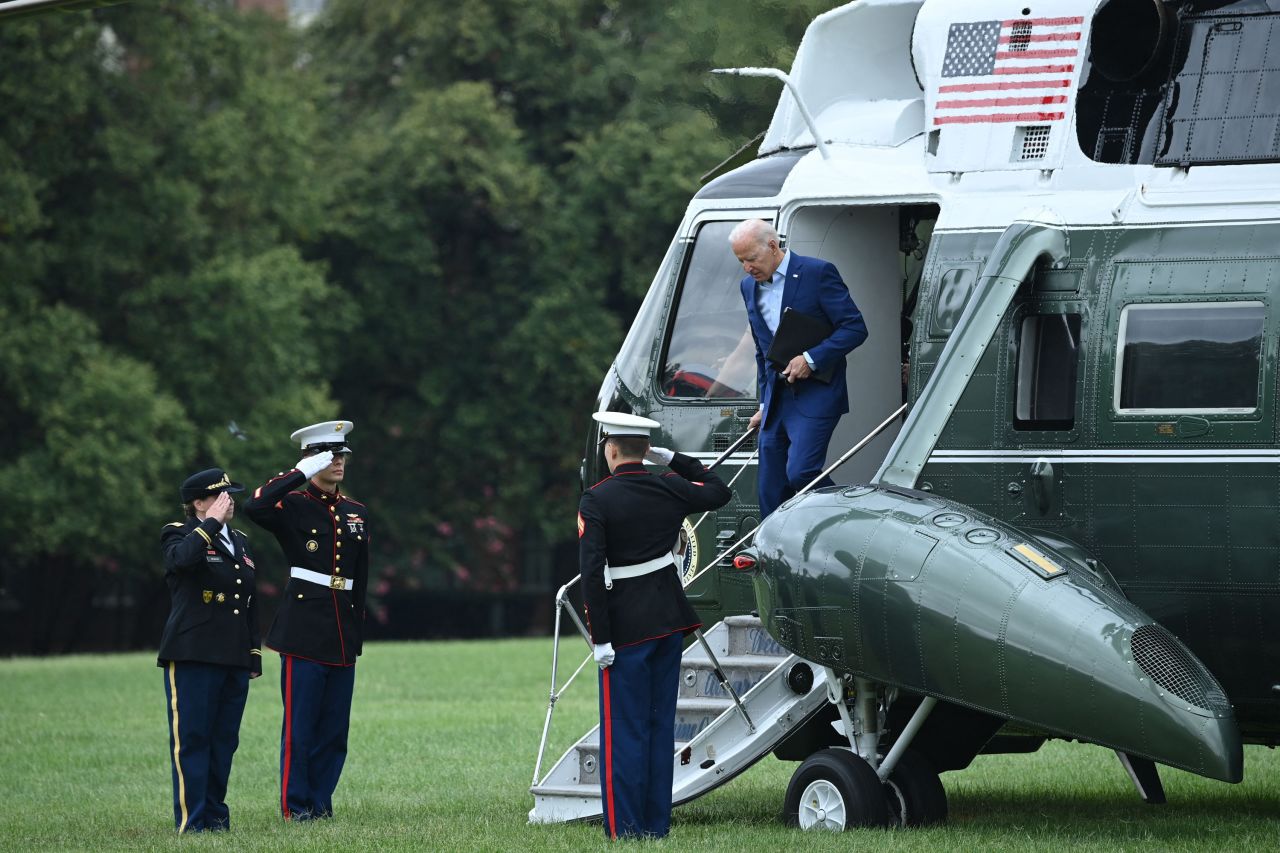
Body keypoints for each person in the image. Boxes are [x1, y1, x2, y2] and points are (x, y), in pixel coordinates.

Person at [578, 412, 732, 839]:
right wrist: (677, 460)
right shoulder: (667, 484)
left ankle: (625, 831)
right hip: (668, 623)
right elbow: (720, 491)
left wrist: (601, 639)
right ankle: (655, 827)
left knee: (624, 732)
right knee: (658, 727)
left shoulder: (597, 500)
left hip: (625, 632)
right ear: (646, 450)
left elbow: (592, 573)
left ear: (610, 449)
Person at [242, 420, 369, 822]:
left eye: (342, 455)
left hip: (342, 631)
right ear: (313, 458)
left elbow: (360, 577)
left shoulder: (356, 512)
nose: (338, 462)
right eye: (329, 456)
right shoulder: (292, 504)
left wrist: (357, 631)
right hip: (303, 629)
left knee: (334, 731)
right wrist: (300, 473)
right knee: (301, 729)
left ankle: (321, 802)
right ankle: (295, 807)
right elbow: (255, 505)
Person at [729, 218, 868, 517]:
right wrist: (764, 403)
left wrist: (811, 358)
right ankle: (771, 559)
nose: (746, 268)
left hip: (817, 395)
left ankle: (852, 517)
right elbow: (762, 350)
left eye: (751, 259)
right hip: (776, 401)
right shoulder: (747, 287)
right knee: (769, 489)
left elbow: (855, 328)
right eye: (740, 261)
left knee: (803, 473)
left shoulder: (817, 273)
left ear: (772, 245)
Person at [158, 467, 262, 833]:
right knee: (193, 739)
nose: (228, 500)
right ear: (198, 502)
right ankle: (193, 820)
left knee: (224, 741)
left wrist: (253, 653)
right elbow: (181, 561)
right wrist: (210, 525)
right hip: (193, 653)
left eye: (230, 494)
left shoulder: (242, 541)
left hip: (233, 656)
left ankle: (216, 817)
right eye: (220, 495)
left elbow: (248, 600)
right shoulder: (178, 533)